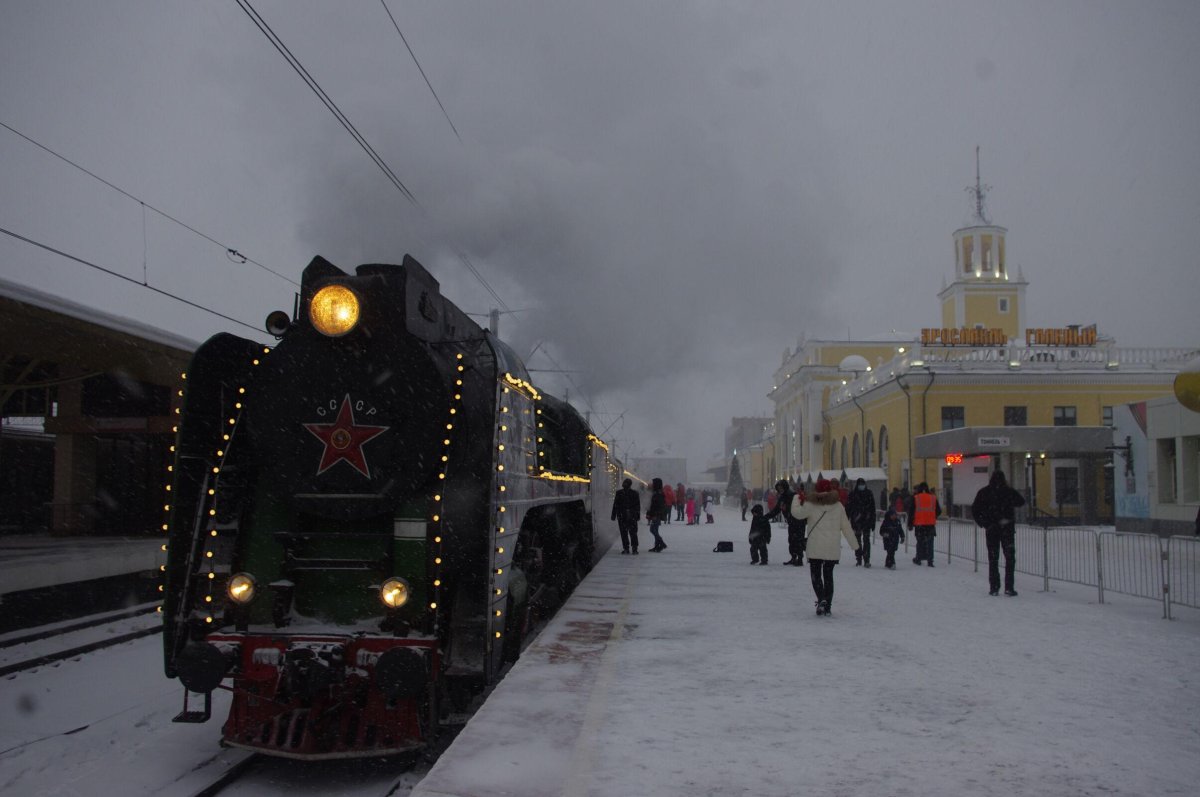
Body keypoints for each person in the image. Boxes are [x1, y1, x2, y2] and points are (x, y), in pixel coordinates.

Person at [791, 478, 859, 616]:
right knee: (828, 576)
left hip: (815, 546)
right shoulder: (838, 506)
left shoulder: (811, 504)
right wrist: (855, 545)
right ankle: (827, 606)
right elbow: (846, 527)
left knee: (815, 574)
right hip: (831, 547)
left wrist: (796, 498)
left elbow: (797, 514)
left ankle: (821, 598)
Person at [971, 469, 1026, 596]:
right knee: (1010, 558)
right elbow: (1021, 501)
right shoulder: (1008, 492)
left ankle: (994, 587)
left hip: (991, 530)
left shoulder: (984, 492)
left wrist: (984, 523)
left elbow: (975, 509)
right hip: (1007, 529)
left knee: (993, 558)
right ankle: (1009, 587)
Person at [763, 479, 807, 566]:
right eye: (778, 488)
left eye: (781, 487)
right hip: (791, 522)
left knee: (798, 540)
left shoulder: (793, 495)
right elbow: (776, 510)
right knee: (791, 540)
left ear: (785, 487)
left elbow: (801, 507)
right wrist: (766, 517)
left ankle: (800, 559)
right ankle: (793, 558)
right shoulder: (782, 497)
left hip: (799, 522)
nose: (780, 490)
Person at [907, 482, 941, 567]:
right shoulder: (933, 498)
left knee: (920, 542)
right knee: (930, 543)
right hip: (930, 524)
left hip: (919, 524)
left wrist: (910, 524)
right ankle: (930, 560)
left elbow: (911, 512)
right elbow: (939, 511)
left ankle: (918, 558)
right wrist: (933, 516)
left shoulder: (916, 498)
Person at [847, 477, 877, 567]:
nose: (861, 486)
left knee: (866, 540)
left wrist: (873, 522)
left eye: (863, 484)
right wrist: (847, 518)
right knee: (857, 541)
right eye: (860, 484)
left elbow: (873, 508)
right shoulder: (853, 494)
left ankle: (867, 559)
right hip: (856, 521)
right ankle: (859, 558)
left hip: (866, 521)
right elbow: (848, 507)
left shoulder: (869, 494)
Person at [610, 478, 641, 555]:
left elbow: (615, 505)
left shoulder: (619, 493)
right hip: (631, 516)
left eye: (625, 483)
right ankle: (634, 548)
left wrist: (613, 515)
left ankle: (626, 548)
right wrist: (637, 516)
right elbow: (638, 506)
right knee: (633, 533)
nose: (625, 484)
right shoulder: (635, 493)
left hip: (622, 516)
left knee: (624, 533)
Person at [646, 478, 668, 552]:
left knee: (652, 530)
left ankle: (661, 543)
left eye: (653, 483)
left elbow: (657, 506)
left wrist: (655, 514)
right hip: (655, 514)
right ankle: (657, 546)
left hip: (656, 515)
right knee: (655, 530)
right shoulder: (657, 492)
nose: (652, 484)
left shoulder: (658, 494)